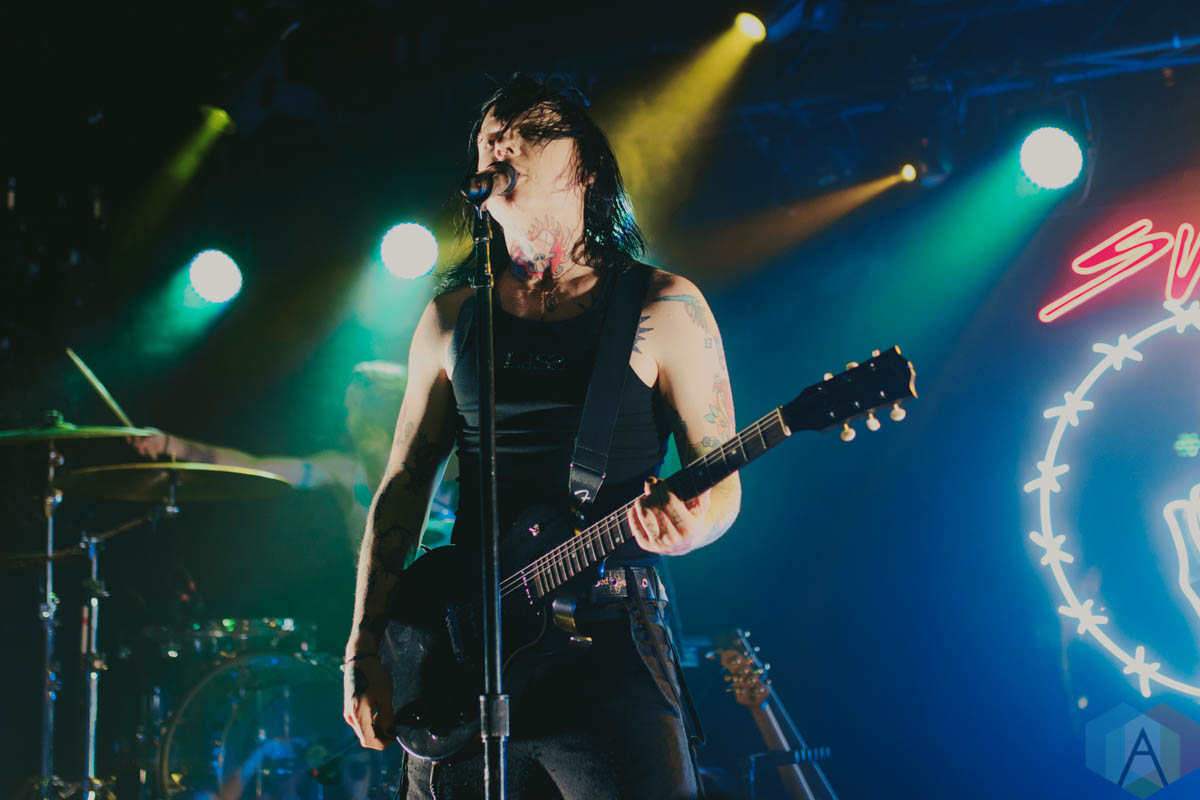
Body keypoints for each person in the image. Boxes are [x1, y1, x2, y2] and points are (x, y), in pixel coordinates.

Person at [342, 74, 741, 799]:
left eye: (528, 129)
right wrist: (363, 648)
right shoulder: (453, 317)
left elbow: (722, 484)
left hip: (608, 640)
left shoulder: (662, 305)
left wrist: (691, 526)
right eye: (489, 134)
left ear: (585, 165)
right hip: (463, 654)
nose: (500, 140)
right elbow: (403, 485)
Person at [131, 360, 457, 553]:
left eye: (354, 409)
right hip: (386, 619)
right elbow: (255, 468)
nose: (347, 420)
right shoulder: (343, 469)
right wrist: (177, 447)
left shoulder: (451, 458)